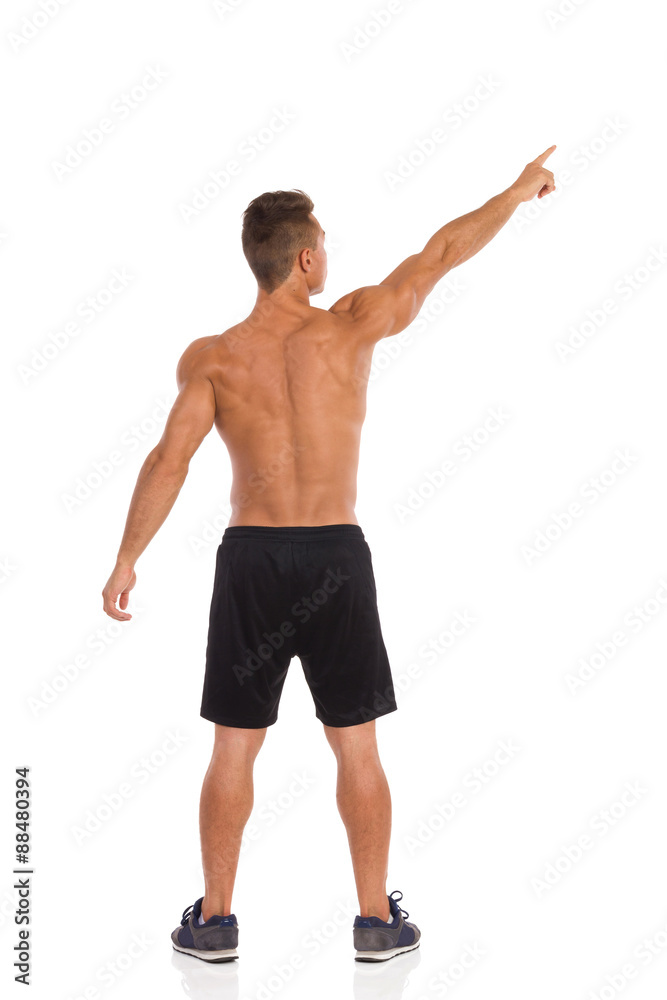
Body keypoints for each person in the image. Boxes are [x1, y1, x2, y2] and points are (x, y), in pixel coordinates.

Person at [102, 146, 557, 963]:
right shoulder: (352, 324)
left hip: (250, 559)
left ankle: (214, 923)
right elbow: (442, 252)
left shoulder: (211, 357)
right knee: (356, 744)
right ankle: (376, 921)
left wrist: (127, 558)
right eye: (324, 246)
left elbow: (167, 462)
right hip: (335, 558)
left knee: (233, 746)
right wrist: (516, 192)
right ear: (307, 258)